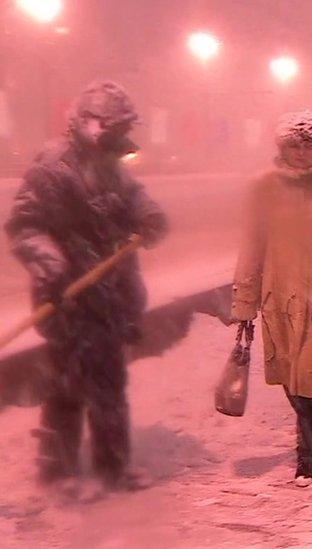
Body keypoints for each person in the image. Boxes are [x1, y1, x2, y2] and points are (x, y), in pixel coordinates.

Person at [4, 81, 168, 491]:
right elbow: (25, 227)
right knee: (68, 382)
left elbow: (136, 199)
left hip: (108, 295)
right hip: (67, 296)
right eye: (112, 129)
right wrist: (50, 261)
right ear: (89, 124)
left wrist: (149, 218)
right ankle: (57, 470)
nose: (118, 139)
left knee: (109, 381)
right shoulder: (52, 169)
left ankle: (112, 467)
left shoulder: (110, 166)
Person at [230, 111, 312, 487]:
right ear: (282, 148)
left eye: (310, 145)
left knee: (311, 372)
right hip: (278, 296)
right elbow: (252, 245)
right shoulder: (264, 188)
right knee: (291, 374)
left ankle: (306, 456)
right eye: (295, 145)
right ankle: (311, 434)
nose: (303, 152)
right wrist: (245, 302)